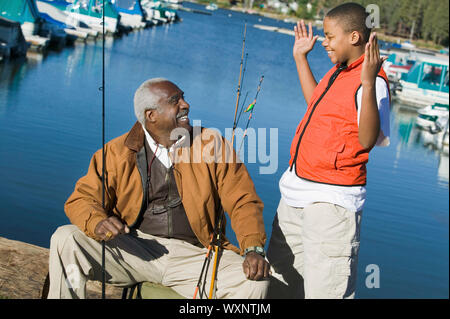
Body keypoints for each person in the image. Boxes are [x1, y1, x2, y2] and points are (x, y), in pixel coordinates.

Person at [48, 78, 270, 299]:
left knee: (255, 285)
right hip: (133, 249)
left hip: (196, 255)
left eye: (183, 97)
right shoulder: (116, 152)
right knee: (66, 238)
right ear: (151, 115)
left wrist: (253, 248)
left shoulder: (211, 144)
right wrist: (97, 222)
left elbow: (243, 201)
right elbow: (82, 199)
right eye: (176, 100)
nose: (186, 104)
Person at [267, 3, 390, 299]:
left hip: (331, 206)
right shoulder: (339, 72)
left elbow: (367, 139)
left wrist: (369, 82)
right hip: (296, 196)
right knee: (278, 286)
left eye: (330, 36)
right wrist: (299, 58)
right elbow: (315, 105)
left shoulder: (371, 82)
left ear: (355, 37)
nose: (324, 41)